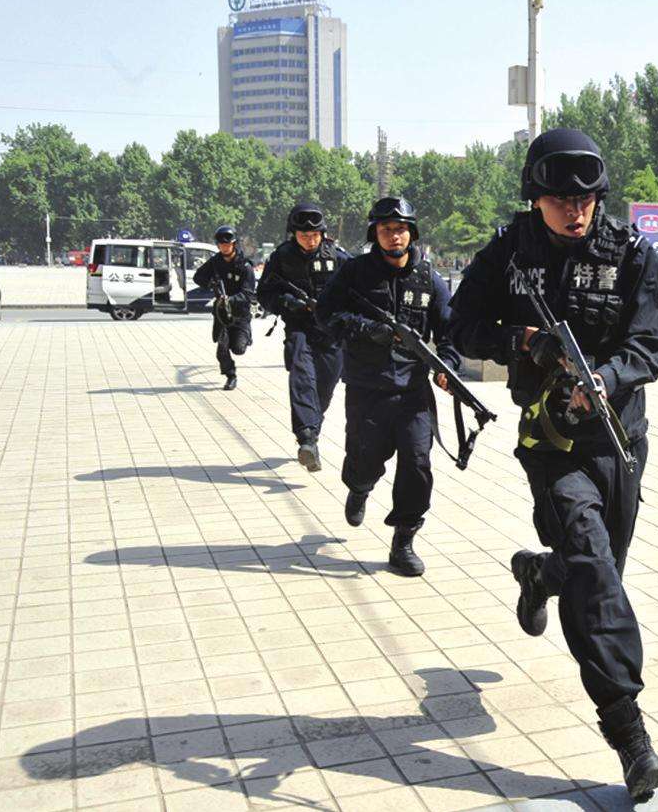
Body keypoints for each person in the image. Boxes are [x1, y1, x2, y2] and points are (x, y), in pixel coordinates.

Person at [449, 128, 658, 802]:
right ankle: (631, 738)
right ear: (536, 198)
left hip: (617, 437)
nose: (574, 212)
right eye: (559, 201)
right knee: (592, 565)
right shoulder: (509, 252)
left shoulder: (631, 252)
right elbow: (460, 325)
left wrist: (606, 377)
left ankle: (538, 573)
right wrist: (521, 340)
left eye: (586, 201)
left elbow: (652, 340)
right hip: (550, 442)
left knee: (595, 573)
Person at [316, 197, 460, 576]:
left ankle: (403, 540)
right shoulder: (355, 273)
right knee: (365, 461)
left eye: (401, 229)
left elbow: (450, 330)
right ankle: (360, 487)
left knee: (417, 463)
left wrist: (448, 365)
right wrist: (371, 330)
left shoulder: (429, 279)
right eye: (386, 230)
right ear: (375, 233)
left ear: (412, 233)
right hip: (367, 388)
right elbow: (325, 314)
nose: (394, 236)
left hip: (413, 391)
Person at [256, 203, 350, 471]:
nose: (310, 240)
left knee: (324, 389)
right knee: (301, 375)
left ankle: (312, 432)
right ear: (293, 234)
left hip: (332, 333)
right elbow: (264, 293)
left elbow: (360, 289)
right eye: (304, 235)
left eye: (315, 235)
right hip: (300, 328)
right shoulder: (281, 257)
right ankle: (306, 438)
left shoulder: (339, 258)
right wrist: (286, 302)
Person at [193, 226, 255, 390]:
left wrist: (231, 299)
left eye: (227, 244)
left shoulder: (245, 266)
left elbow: (248, 294)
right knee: (222, 348)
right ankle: (230, 375)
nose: (224, 248)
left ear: (234, 244)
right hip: (222, 312)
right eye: (221, 245)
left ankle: (246, 336)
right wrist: (211, 284)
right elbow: (198, 277)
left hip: (240, 313)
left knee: (238, 349)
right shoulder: (215, 262)